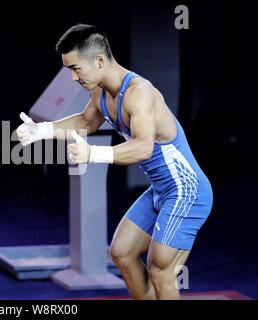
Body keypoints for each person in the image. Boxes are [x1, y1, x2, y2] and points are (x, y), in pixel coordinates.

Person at [16, 24, 213, 300]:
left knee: (160, 271)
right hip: (161, 190)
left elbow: (144, 147)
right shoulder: (99, 91)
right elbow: (86, 121)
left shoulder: (139, 92)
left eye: (75, 68)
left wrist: (94, 155)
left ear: (98, 60)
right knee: (122, 252)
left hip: (186, 191)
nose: (73, 78)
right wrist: (43, 130)